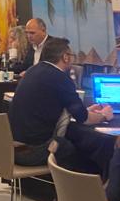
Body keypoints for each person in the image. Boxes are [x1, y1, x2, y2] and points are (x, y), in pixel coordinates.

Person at [9, 38, 113, 175]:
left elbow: (48, 108)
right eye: (71, 56)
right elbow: (84, 119)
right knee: (80, 151)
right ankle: (87, 186)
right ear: (65, 57)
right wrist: (104, 115)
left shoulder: (32, 71)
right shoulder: (60, 78)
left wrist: (85, 110)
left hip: (13, 148)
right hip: (33, 151)